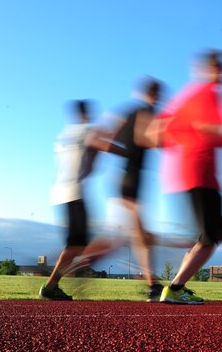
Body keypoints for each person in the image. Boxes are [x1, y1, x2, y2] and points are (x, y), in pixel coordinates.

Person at [149, 51, 222, 304]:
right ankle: (175, 288)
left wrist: (182, 138)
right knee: (211, 237)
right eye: (220, 68)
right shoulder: (208, 93)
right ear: (211, 69)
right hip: (201, 174)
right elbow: (215, 130)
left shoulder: (183, 96)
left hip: (184, 176)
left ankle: (177, 288)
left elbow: (155, 134)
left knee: (206, 237)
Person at [74, 77, 164, 301]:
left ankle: (76, 266)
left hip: (129, 177)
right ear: (150, 92)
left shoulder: (125, 113)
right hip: (129, 177)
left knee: (121, 237)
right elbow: (145, 139)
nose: (159, 96)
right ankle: (153, 286)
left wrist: (117, 150)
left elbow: (98, 137)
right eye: (157, 92)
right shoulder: (143, 112)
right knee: (139, 234)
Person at [40, 100, 99, 301]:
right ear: (85, 113)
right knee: (76, 245)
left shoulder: (63, 136)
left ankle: (57, 278)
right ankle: (51, 283)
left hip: (60, 192)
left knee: (78, 244)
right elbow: (99, 152)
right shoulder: (87, 131)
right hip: (75, 192)